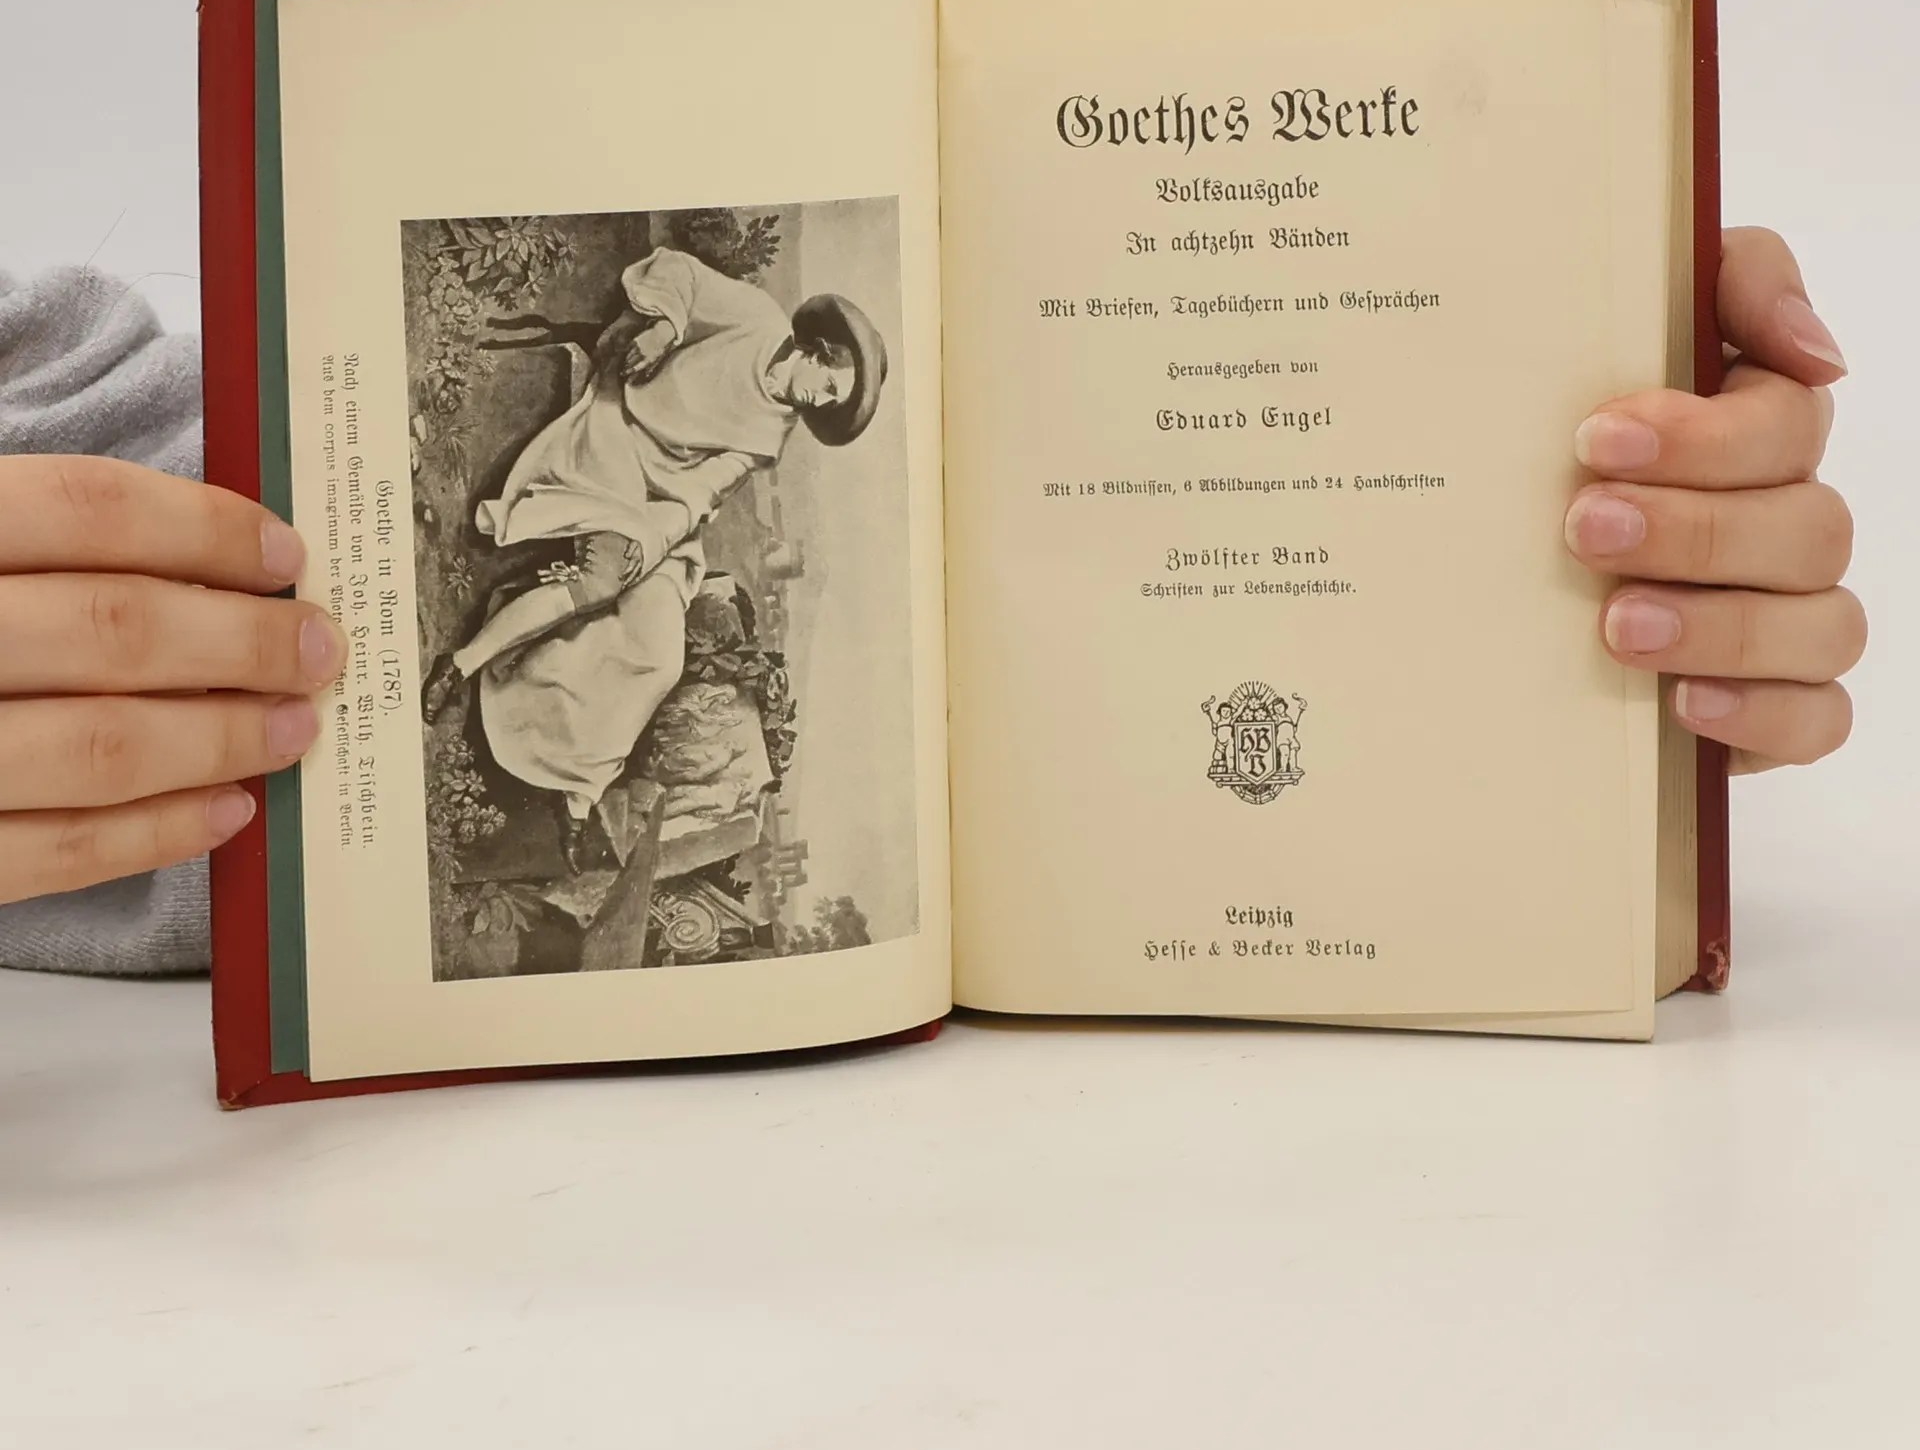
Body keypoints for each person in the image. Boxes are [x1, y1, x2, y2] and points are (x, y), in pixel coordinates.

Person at [0, 229, 1866, 965]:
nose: (808, 385)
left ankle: (530, 754)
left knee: (641, 628)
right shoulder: (738, 316)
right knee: (613, 585)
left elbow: (100, 419)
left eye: (827, 392)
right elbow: (654, 296)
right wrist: (635, 336)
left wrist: (1515, 376)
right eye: (820, 365)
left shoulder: (765, 434)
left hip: (636, 511)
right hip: (593, 459)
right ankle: (475, 681)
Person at [421, 247, 887, 865]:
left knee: (659, 652)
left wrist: (653, 542)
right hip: (615, 432)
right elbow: (679, 272)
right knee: (599, 583)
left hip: (662, 509)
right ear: (818, 352)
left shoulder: (771, 434)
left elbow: (700, 493)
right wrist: (667, 324)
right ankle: (460, 665)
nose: (822, 402)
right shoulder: (756, 318)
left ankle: (577, 791)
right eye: (829, 386)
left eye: (832, 401)